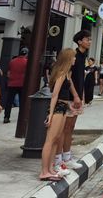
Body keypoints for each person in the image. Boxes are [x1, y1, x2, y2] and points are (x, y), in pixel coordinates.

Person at [39, 49, 79, 182]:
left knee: (56, 139)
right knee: (50, 140)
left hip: (63, 108)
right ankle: (44, 171)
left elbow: (63, 96)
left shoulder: (67, 74)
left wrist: (70, 107)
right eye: (73, 57)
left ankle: (51, 169)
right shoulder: (61, 73)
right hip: (57, 109)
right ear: (68, 58)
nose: (75, 59)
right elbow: (55, 95)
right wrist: (50, 114)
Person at [56, 30, 88, 173]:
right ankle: (59, 160)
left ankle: (67, 157)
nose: (89, 41)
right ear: (80, 41)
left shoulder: (82, 56)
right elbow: (69, 79)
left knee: (70, 129)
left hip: (77, 98)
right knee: (64, 129)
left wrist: (82, 97)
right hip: (68, 98)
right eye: (87, 39)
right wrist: (75, 95)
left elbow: (80, 79)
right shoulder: (73, 56)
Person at [4, 47, 28, 123]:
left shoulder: (12, 61)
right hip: (22, 84)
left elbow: (8, 73)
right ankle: (21, 117)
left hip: (12, 83)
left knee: (9, 101)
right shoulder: (26, 62)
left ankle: (6, 117)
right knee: (22, 101)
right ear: (26, 54)